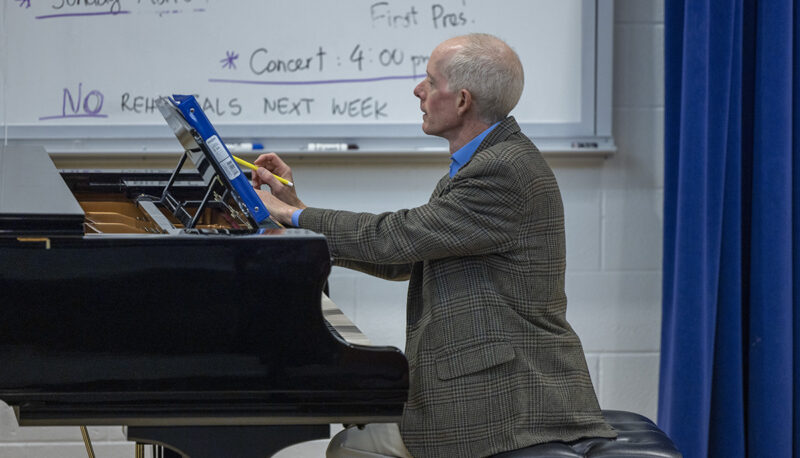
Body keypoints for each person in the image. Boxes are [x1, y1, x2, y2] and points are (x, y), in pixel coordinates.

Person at [251, 33, 616, 458]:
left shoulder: (501, 171)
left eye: (429, 80)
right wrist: (297, 208)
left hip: (507, 401)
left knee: (352, 447)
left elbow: (394, 238)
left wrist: (291, 216)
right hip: (492, 384)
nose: (418, 90)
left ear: (462, 101)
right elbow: (408, 253)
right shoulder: (487, 161)